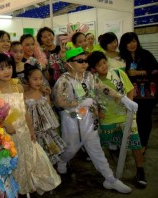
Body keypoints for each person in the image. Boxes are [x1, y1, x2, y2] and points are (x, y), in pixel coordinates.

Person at [52, 47, 138, 193]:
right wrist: (78, 104)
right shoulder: (64, 80)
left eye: (85, 61)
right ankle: (63, 160)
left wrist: (122, 98)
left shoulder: (89, 77)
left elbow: (103, 88)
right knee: (71, 148)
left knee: (96, 150)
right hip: (72, 122)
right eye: (80, 61)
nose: (84, 64)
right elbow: (59, 101)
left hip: (90, 120)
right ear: (69, 63)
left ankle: (110, 179)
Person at [0, 53, 61, 195]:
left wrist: (31, 130)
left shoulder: (18, 87)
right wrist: (3, 124)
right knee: (15, 164)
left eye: (9, 67)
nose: (6, 71)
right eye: (1, 68)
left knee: (35, 159)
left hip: (24, 132)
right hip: (7, 137)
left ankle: (32, 185)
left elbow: (25, 111)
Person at [87, 51, 147, 188]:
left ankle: (140, 170)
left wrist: (129, 104)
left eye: (104, 62)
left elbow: (130, 89)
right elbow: (92, 99)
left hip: (126, 115)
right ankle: (110, 172)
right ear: (93, 68)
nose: (103, 66)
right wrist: (98, 111)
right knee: (108, 143)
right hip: (107, 117)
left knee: (135, 143)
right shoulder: (93, 80)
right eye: (99, 65)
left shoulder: (118, 73)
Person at [119, 32, 158, 156]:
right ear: (124, 44)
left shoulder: (146, 54)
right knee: (132, 119)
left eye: (134, 41)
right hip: (130, 94)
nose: (132, 44)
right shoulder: (122, 58)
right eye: (129, 42)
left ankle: (143, 143)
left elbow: (156, 70)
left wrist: (138, 73)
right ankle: (133, 141)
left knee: (145, 118)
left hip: (147, 94)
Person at [24, 64, 66, 167]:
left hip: (46, 131)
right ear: (27, 80)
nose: (38, 82)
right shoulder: (23, 95)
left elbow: (49, 113)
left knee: (48, 155)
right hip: (33, 131)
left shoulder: (44, 94)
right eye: (35, 79)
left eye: (40, 79)